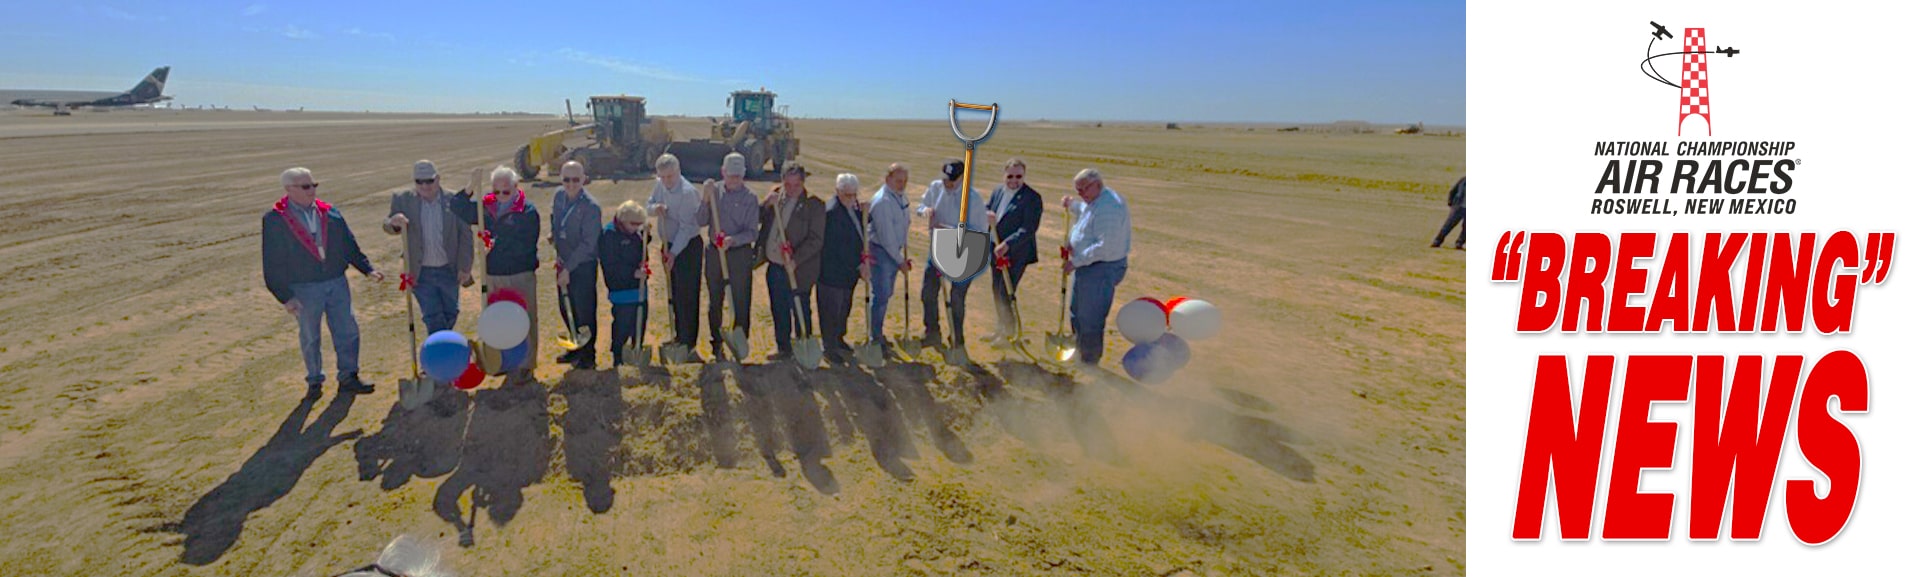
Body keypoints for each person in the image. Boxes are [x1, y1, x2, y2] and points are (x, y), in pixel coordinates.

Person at [262, 167, 384, 398]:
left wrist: (368, 269)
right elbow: (272, 261)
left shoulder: (330, 213)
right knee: (310, 336)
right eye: (306, 186)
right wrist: (285, 297)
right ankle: (315, 381)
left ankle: (349, 376)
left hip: (336, 283)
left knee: (347, 330)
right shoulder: (275, 220)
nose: (312, 191)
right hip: (304, 288)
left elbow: (349, 244)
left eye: (314, 185)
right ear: (289, 189)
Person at [383, 160, 474, 334]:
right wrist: (394, 222)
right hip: (421, 273)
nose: (424, 186)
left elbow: (465, 236)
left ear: (438, 179)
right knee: (433, 318)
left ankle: (440, 352)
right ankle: (440, 355)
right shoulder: (403, 200)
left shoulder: (454, 201)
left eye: (429, 181)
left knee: (451, 313)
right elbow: (387, 224)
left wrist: (465, 267)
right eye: (419, 181)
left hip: (449, 270)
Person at [479, 166, 542, 385]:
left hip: (520, 274)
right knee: (498, 320)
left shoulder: (528, 211)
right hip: (493, 273)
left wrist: (496, 244)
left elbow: (525, 245)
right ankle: (502, 361)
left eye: (506, 192)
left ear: (516, 188)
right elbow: (458, 206)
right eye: (496, 192)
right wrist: (470, 186)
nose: (500, 197)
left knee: (525, 319)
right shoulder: (486, 208)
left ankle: (526, 364)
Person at [1062, 168, 1131, 366]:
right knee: (1077, 311)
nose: (1081, 195)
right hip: (1088, 266)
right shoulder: (1094, 201)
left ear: (1097, 185)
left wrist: (1075, 262)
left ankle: (1089, 361)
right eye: (1077, 191)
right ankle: (1079, 351)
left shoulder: (1109, 208)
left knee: (1090, 316)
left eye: (1083, 190)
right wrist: (1072, 205)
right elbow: (1086, 211)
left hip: (1101, 268)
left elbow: (1104, 247)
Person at [915, 158, 987, 350]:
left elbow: (978, 231)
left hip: (966, 252)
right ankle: (932, 332)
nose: (947, 183)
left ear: (962, 178)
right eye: (945, 179)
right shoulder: (935, 187)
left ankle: (957, 337)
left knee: (956, 298)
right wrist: (926, 211)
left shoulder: (973, 199)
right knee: (928, 293)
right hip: (938, 248)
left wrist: (947, 229)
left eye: (952, 180)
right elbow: (920, 207)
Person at [757, 162, 825, 362]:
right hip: (775, 266)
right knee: (778, 308)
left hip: (799, 269)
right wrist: (765, 204)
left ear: (803, 183)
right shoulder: (776, 196)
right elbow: (758, 218)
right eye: (788, 184)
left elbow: (816, 240)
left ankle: (803, 344)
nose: (792, 189)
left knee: (800, 307)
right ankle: (783, 348)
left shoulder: (814, 205)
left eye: (796, 185)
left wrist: (795, 260)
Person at [696, 153, 761, 361]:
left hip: (739, 254)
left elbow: (752, 232)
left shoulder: (750, 198)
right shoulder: (713, 191)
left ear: (743, 175)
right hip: (715, 254)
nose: (734, 180)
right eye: (730, 175)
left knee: (740, 299)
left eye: (738, 176)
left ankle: (739, 342)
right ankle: (716, 343)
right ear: (723, 172)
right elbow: (701, 220)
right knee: (715, 300)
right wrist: (705, 199)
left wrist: (733, 240)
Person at [646, 153, 704, 361]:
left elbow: (687, 228)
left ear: (678, 172)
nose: (667, 181)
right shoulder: (660, 185)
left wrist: (673, 253)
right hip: (668, 245)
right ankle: (678, 337)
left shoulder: (688, 193)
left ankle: (688, 343)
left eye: (671, 176)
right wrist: (656, 208)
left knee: (688, 295)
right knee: (675, 293)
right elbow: (649, 204)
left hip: (687, 248)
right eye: (663, 177)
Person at [984, 158, 1042, 345]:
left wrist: (1008, 244)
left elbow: (1028, 228)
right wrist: (985, 214)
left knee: (1005, 291)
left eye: (1019, 176)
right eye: (1010, 176)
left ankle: (1008, 333)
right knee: (996, 289)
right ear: (1004, 175)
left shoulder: (1032, 198)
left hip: (1017, 253)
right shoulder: (997, 191)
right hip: (995, 250)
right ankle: (1001, 328)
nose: (1014, 180)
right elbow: (989, 209)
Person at [551, 161, 603, 368]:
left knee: (584, 312)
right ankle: (574, 349)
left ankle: (588, 356)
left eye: (575, 179)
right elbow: (556, 222)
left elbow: (589, 244)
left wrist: (568, 269)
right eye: (566, 179)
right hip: (563, 263)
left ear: (583, 179)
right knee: (566, 308)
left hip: (582, 265)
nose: (571, 184)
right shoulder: (558, 197)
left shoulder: (591, 207)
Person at [817, 172, 869, 363]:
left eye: (854, 194)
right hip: (832, 273)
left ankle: (839, 339)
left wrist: (866, 215)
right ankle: (829, 347)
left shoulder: (853, 208)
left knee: (844, 308)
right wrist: (858, 265)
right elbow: (837, 248)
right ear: (837, 191)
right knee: (831, 311)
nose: (852, 198)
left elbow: (858, 229)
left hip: (849, 273)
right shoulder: (831, 213)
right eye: (847, 194)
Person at [866, 163, 912, 355]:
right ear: (888, 180)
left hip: (892, 251)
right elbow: (886, 237)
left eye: (904, 181)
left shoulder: (900, 197)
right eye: (898, 180)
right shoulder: (883, 202)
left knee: (886, 294)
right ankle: (875, 336)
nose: (902, 184)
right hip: (882, 252)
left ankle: (877, 332)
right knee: (881, 295)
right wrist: (900, 260)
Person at [600, 201, 650, 367]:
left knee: (640, 321)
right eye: (633, 224)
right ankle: (618, 356)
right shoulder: (609, 235)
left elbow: (640, 248)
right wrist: (632, 273)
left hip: (639, 288)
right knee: (622, 324)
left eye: (639, 224)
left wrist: (646, 236)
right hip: (621, 289)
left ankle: (636, 351)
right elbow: (610, 265)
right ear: (622, 220)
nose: (636, 228)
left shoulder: (636, 233)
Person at [1432, 176, 1466, 250]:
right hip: (1458, 206)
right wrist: (1450, 202)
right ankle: (1437, 241)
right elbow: (1453, 190)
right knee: (1448, 225)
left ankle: (1459, 243)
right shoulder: (1464, 180)